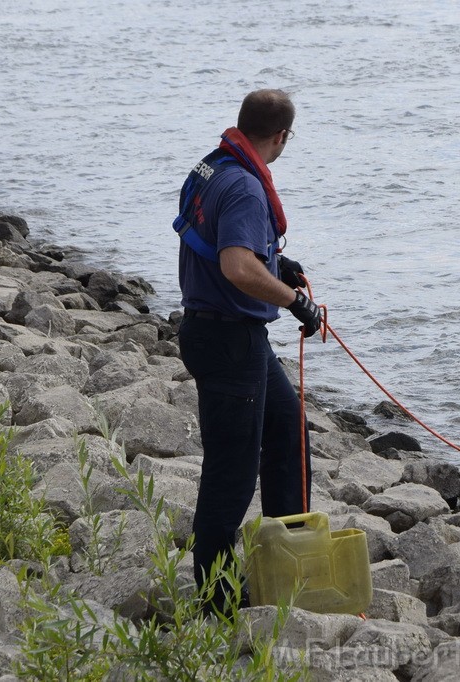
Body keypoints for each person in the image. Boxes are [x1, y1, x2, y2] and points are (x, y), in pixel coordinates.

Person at [172, 89, 322, 604]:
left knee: (287, 428)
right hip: (226, 338)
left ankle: (290, 563)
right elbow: (237, 268)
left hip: (227, 332)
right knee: (230, 476)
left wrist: (275, 265)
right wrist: (294, 301)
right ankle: (216, 601)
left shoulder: (213, 166)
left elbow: (223, 246)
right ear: (281, 136)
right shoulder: (244, 187)